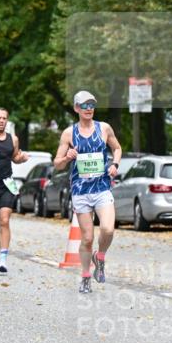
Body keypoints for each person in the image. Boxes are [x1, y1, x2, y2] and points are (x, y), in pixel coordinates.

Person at [53, 90, 122, 293]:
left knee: (108, 229)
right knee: (87, 238)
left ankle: (99, 257)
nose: (89, 108)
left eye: (91, 104)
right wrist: (67, 157)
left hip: (101, 187)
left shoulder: (104, 128)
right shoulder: (69, 133)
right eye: (84, 105)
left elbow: (117, 148)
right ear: (76, 108)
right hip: (81, 191)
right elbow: (56, 164)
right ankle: (85, 276)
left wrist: (115, 164)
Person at [0, 108, 29, 273]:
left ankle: (3, 260)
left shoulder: (13, 139)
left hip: (6, 184)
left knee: (4, 220)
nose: (2, 121)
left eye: (4, 118)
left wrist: (22, 159)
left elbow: (15, 157)